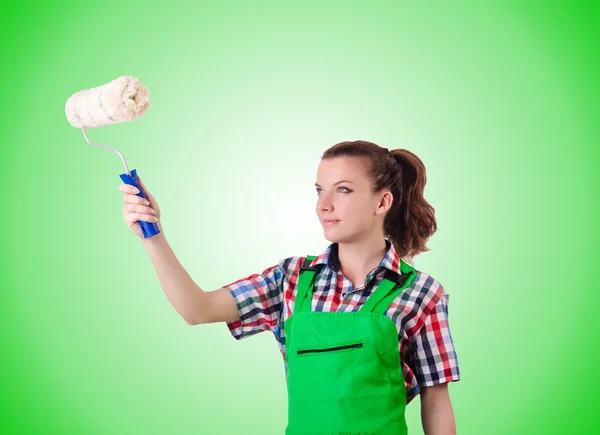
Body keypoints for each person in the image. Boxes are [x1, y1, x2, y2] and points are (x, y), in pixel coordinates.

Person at [119, 140, 460, 434]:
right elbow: (196, 309)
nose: (323, 204)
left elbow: (436, 402)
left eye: (343, 189)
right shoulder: (292, 279)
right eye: (319, 190)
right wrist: (153, 235)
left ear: (382, 202)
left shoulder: (420, 293)